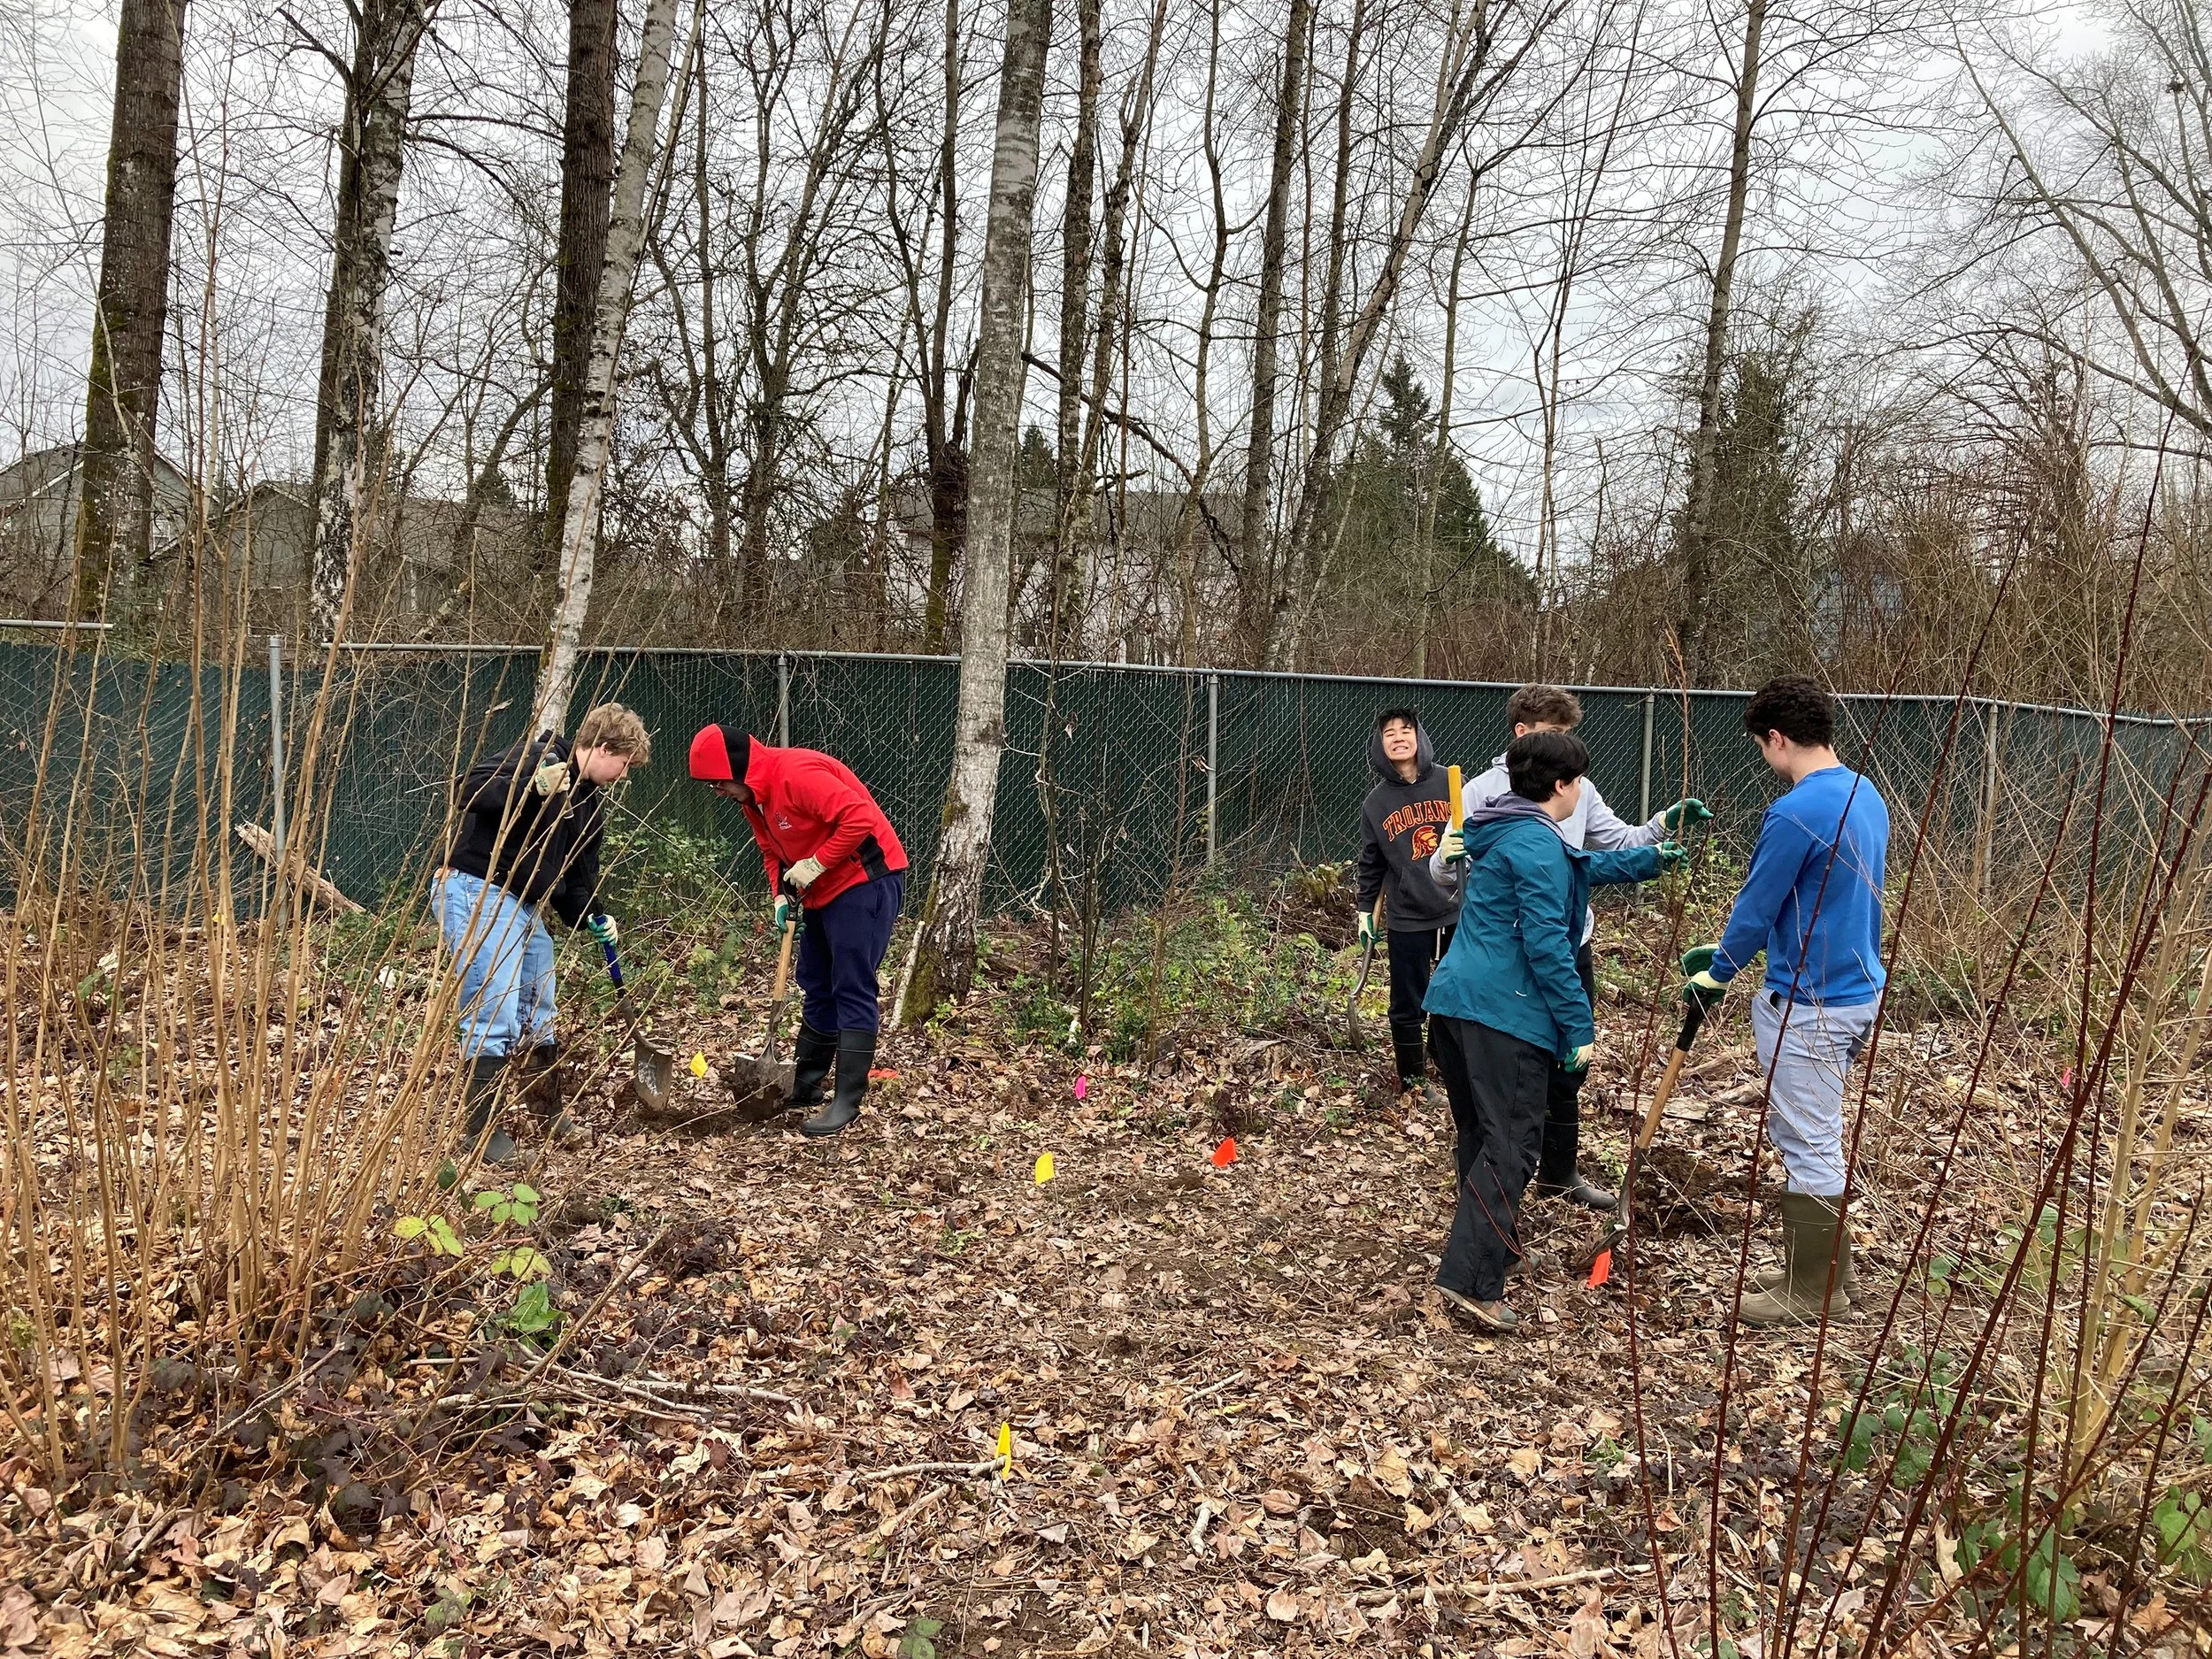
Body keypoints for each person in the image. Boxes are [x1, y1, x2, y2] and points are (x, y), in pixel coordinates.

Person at [1424, 732, 1685, 1334]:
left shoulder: (1508, 827)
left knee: (1482, 1136)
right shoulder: (1535, 844)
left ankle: (1499, 1248)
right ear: (1564, 787)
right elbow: (1545, 944)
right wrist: (1578, 1024)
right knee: (1512, 1146)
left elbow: (1578, 866)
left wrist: (1652, 856)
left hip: (1456, 1004)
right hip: (1503, 1014)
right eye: (1580, 784)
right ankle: (1470, 1280)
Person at [1436, 684, 1712, 1210]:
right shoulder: (1481, 794)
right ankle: (1492, 1206)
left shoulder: (1573, 789)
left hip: (1563, 948)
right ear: (1525, 733)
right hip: (1510, 966)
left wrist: (1658, 838)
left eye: (1569, 733)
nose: (1567, 744)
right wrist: (1445, 857)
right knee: (1505, 1101)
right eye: (1557, 734)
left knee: (1563, 1073)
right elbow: (1452, 872)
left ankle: (1553, 1174)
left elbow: (1593, 853)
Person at [1680, 676, 1888, 1326]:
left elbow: (1757, 905)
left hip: (1812, 999)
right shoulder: (1866, 792)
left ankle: (1812, 1291)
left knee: (1809, 1140)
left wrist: (1718, 972)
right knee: (1814, 1131)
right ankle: (1826, 1268)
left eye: (1762, 748)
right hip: (1858, 988)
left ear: (1777, 738)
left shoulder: (1796, 811)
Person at [440, 703, 650, 1164]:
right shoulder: (537, 758)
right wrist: (531, 790)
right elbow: (468, 789)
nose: (624, 775)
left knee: (539, 1003)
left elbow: (574, 881)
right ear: (601, 747)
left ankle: (547, 1108)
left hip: (523, 904)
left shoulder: (589, 806)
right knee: (492, 1008)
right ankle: (479, 1132)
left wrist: (593, 913)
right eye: (625, 764)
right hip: (479, 889)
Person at [689, 726, 907, 1137]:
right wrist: (780, 895)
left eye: (719, 782)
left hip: (866, 880)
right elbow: (771, 849)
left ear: (738, 769)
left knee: (851, 983)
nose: (717, 791)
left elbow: (859, 817)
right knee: (816, 982)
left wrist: (817, 863)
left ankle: (846, 1100)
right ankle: (806, 1084)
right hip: (821, 889)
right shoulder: (753, 799)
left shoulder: (796, 774)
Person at [1353, 707, 1460, 1098]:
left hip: (1456, 908)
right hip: (1408, 914)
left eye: (1406, 730)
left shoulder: (1452, 783)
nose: (1398, 737)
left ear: (1419, 737)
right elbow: (1371, 862)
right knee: (1406, 1002)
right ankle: (1414, 1080)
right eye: (1389, 733)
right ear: (1380, 745)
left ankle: (1448, 1062)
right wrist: (1366, 911)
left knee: (1453, 994)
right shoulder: (1376, 804)